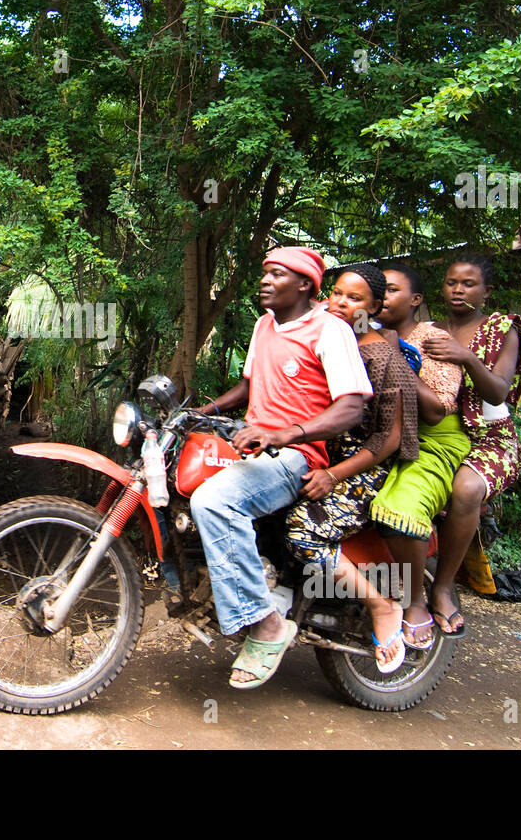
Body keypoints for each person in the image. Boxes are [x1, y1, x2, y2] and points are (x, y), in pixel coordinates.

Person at [195, 246, 372, 689]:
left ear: (306, 285)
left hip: (297, 456)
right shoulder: (264, 325)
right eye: (264, 273)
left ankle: (267, 624)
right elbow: (250, 386)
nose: (266, 280)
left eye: (277, 274)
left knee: (215, 501)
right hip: (254, 447)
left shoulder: (330, 330)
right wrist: (203, 409)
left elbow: (351, 407)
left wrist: (285, 433)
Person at [284, 264, 419, 672]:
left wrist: (333, 475)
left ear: (375, 307)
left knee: (301, 530)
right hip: (321, 453)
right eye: (337, 293)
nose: (341, 303)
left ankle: (382, 605)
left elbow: (387, 440)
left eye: (354, 298)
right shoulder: (330, 340)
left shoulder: (383, 359)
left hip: (361, 469)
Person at [422, 255, 521, 635]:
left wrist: (467, 358)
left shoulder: (503, 330)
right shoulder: (427, 330)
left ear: (485, 291)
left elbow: (498, 392)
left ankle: (442, 588)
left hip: (490, 437)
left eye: (468, 284)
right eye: (451, 282)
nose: (457, 289)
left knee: (465, 490)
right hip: (438, 433)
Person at [371, 263, 471, 649]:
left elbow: (435, 410)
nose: (382, 297)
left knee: (399, 511)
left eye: (392, 290)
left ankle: (415, 602)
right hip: (382, 437)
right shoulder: (362, 334)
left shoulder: (433, 339)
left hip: (432, 440)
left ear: (415, 300)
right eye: (378, 289)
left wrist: (395, 358)